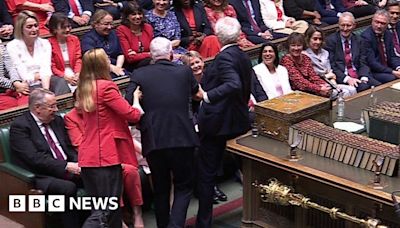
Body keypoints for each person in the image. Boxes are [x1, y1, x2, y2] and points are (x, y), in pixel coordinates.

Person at [125, 37, 200, 228]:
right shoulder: (184, 71)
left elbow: (129, 107)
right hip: (182, 137)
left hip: (154, 140)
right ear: (172, 54)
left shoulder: (139, 74)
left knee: (161, 189)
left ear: (151, 56)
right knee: (183, 186)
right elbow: (195, 93)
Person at [76, 48, 143, 228]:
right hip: (104, 157)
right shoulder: (106, 87)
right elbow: (131, 115)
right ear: (101, 64)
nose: (109, 60)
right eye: (106, 58)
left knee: (104, 210)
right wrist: (136, 101)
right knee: (105, 211)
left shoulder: (84, 88)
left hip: (88, 158)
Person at [195, 17, 252, 228]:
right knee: (247, 169)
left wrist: (208, 96)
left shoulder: (225, 58)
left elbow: (234, 84)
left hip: (219, 125)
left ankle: (204, 223)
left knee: (207, 174)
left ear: (218, 36)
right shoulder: (242, 56)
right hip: (239, 120)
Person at [64, 91, 144, 228]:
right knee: (110, 176)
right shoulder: (70, 117)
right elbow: (79, 144)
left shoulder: (100, 111)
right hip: (93, 161)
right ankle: (119, 219)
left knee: (130, 172)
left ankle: (138, 213)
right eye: (77, 101)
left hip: (114, 155)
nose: (79, 104)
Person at [10, 88, 81, 228]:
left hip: (67, 168)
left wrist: (78, 162)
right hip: (41, 175)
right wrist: (67, 166)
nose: (56, 109)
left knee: (99, 173)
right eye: (52, 106)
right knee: (68, 187)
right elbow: (34, 159)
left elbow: (68, 148)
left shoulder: (57, 120)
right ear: (37, 108)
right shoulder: (20, 127)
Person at [326, 12, 381, 92]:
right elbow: (332, 66)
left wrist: (363, 76)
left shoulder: (359, 40)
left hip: (358, 75)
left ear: (354, 26)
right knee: (364, 89)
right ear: (338, 25)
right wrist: (347, 79)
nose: (345, 29)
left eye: (348, 25)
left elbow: (363, 62)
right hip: (342, 77)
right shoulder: (331, 41)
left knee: (380, 87)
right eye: (342, 25)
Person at [6, 11, 52, 96]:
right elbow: (21, 72)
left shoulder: (45, 43)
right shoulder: (12, 46)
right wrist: (35, 77)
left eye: (36, 25)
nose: (34, 29)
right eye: (29, 27)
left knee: (61, 85)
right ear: (21, 29)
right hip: (25, 86)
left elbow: (46, 69)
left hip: (46, 82)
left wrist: (46, 91)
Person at [304, 25, 357, 97]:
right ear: (308, 39)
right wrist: (327, 76)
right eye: (315, 39)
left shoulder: (325, 53)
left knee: (352, 89)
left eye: (320, 39)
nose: (318, 42)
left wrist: (335, 85)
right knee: (345, 92)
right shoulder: (305, 55)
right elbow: (311, 76)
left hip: (330, 83)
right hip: (318, 86)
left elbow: (330, 71)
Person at [281, 32, 332, 98]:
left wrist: (324, 85)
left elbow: (313, 76)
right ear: (288, 46)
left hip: (311, 90)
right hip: (295, 94)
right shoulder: (286, 60)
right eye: (293, 45)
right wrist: (319, 89)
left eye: (299, 45)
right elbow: (299, 82)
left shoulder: (306, 58)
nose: (296, 48)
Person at [81, 9, 126, 78]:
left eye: (111, 23)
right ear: (96, 24)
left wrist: (118, 67)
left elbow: (120, 53)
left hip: (118, 68)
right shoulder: (88, 39)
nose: (109, 27)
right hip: (99, 72)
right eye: (106, 24)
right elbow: (93, 60)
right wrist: (112, 68)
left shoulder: (113, 34)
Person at [361, 9, 400, 83]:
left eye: (382, 23)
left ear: (387, 24)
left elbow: (392, 56)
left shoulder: (388, 34)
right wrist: (392, 72)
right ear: (372, 21)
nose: (379, 26)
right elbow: (372, 62)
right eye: (377, 22)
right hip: (374, 71)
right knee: (392, 78)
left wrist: (398, 68)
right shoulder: (366, 37)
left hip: (388, 68)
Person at [48, 13, 81, 94]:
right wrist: (65, 77)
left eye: (68, 26)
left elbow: (78, 59)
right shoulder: (48, 43)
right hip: (59, 75)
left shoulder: (75, 39)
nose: (67, 30)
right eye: (63, 27)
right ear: (54, 29)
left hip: (75, 73)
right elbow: (52, 66)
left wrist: (77, 73)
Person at [116, 2, 153, 71]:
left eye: (139, 14)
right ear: (127, 16)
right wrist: (148, 54)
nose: (138, 17)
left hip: (149, 62)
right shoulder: (122, 29)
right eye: (133, 14)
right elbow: (130, 58)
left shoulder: (148, 27)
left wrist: (138, 55)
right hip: (133, 66)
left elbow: (153, 49)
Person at [0, 44, 26, 110]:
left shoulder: (1, 47)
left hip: (11, 87)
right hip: (5, 89)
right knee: (12, 105)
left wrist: (17, 82)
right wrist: (15, 86)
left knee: (28, 97)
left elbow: (11, 67)